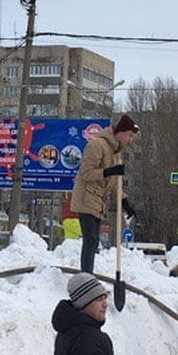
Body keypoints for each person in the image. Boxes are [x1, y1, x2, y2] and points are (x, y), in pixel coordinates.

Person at [71, 114, 140, 273]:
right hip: (86, 198)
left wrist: (125, 202)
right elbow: (86, 173)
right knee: (91, 240)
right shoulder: (97, 145)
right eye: (129, 135)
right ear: (121, 132)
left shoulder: (116, 152)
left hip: (98, 200)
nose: (130, 140)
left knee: (94, 242)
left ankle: (88, 275)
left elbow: (115, 182)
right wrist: (109, 171)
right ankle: (86, 278)